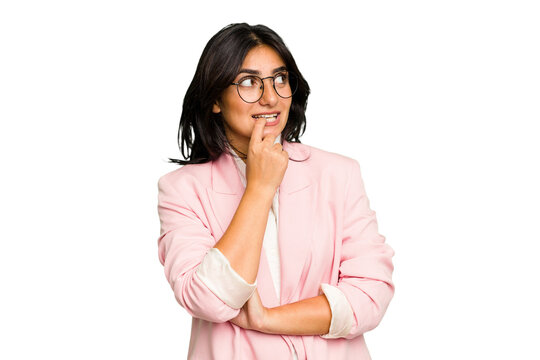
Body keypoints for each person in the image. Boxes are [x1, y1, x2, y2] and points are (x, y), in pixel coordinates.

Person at [156, 23, 395, 360]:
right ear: (215, 100)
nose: (271, 97)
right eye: (249, 82)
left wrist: (267, 319)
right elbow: (209, 298)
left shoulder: (339, 174)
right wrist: (260, 187)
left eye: (280, 79)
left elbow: (370, 296)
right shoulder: (181, 190)